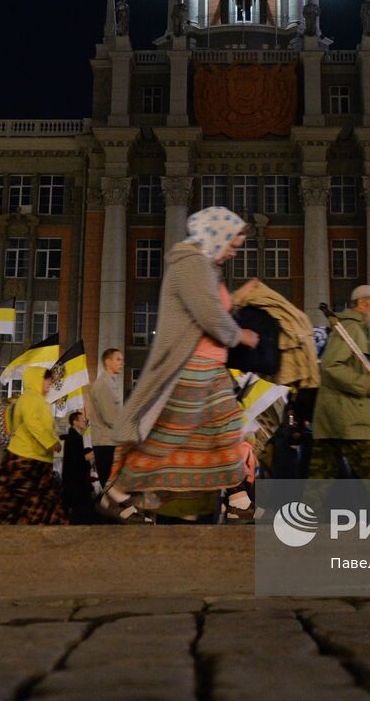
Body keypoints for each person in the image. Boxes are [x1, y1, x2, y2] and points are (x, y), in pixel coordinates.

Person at [104, 207, 260, 523]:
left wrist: (236, 299)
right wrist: (241, 335)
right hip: (191, 365)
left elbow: (213, 309)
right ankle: (116, 496)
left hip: (211, 365)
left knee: (227, 431)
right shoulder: (191, 264)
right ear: (216, 236)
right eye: (232, 244)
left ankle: (238, 500)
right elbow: (211, 317)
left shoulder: (205, 268)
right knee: (167, 437)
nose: (234, 252)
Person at [308, 285, 370, 480]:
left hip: (333, 421)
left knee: (318, 486)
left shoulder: (356, 330)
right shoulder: (351, 328)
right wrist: (366, 383)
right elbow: (331, 366)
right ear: (361, 303)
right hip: (349, 421)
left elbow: (368, 376)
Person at [0, 366, 68, 525]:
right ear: (37, 379)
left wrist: (52, 440)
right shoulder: (30, 398)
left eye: (49, 379)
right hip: (26, 458)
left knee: (38, 498)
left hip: (38, 459)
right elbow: (32, 423)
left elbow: (43, 426)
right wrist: (51, 442)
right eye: (46, 379)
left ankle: (41, 526)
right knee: (22, 497)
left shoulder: (40, 400)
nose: (49, 383)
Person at [87, 349, 123, 487]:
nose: (122, 363)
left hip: (110, 441)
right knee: (110, 486)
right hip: (105, 442)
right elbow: (110, 417)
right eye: (118, 359)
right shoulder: (102, 385)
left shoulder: (110, 383)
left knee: (113, 485)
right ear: (108, 362)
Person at [62, 410, 96, 523]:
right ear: (75, 422)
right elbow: (75, 460)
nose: (85, 422)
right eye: (83, 420)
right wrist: (88, 456)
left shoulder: (75, 435)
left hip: (74, 480)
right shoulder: (74, 437)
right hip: (75, 481)